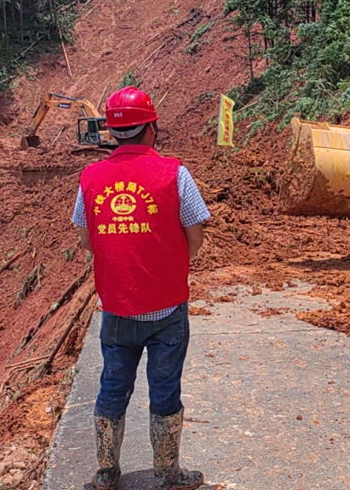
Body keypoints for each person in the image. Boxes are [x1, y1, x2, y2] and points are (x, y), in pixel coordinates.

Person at [71, 86, 209, 490]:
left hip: (117, 307)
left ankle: (105, 472)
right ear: (152, 127)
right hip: (167, 309)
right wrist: (167, 263)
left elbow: (84, 236)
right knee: (165, 389)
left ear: (112, 132)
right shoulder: (175, 174)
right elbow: (195, 234)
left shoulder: (91, 178)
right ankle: (167, 473)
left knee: (113, 384)